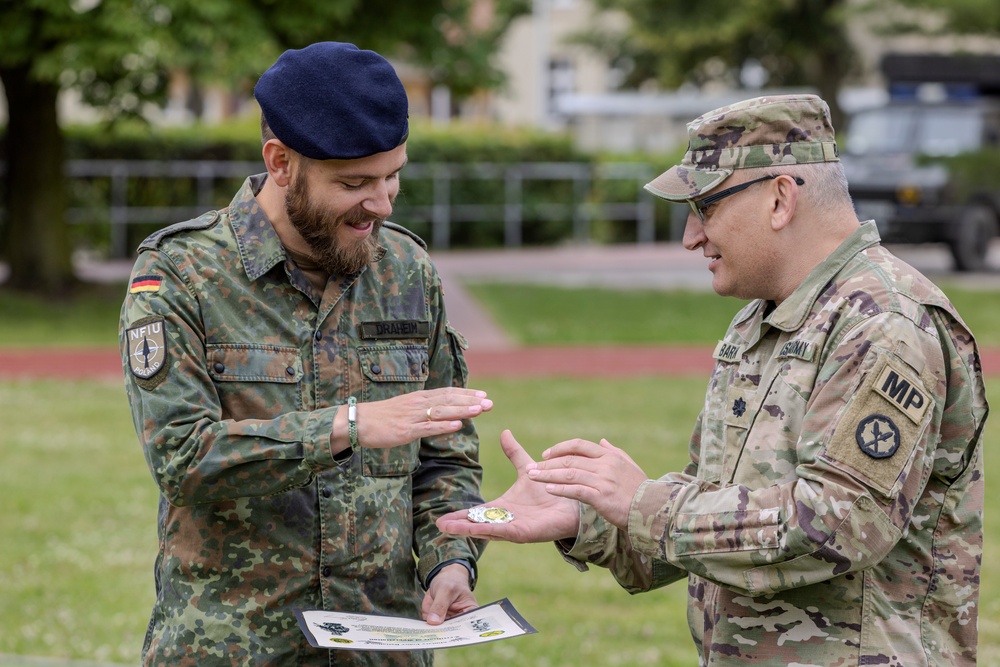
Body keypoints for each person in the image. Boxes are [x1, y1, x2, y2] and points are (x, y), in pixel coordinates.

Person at [438, 94, 988, 665]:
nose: (690, 236)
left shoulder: (885, 322)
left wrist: (646, 504)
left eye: (704, 206)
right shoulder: (762, 319)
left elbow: (841, 523)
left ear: (779, 198)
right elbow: (718, 526)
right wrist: (589, 518)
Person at [120, 42, 492, 667]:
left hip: (383, 647)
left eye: (393, 175)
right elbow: (182, 458)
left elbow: (445, 454)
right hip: (233, 648)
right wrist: (347, 427)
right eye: (355, 183)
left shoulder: (406, 269)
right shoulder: (179, 274)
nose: (382, 203)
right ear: (281, 162)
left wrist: (451, 560)